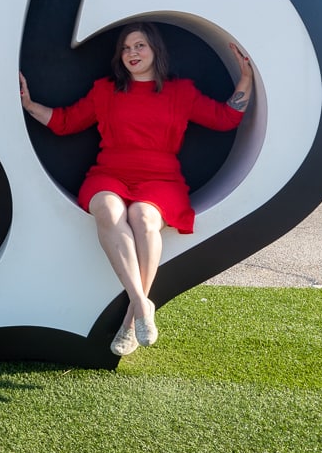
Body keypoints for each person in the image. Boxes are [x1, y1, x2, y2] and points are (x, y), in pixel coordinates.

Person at [18, 23, 254, 357]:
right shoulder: (105, 90)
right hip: (110, 173)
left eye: (140, 46)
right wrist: (28, 105)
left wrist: (246, 77)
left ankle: (131, 319)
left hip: (161, 178)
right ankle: (143, 306)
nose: (132, 53)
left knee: (143, 217)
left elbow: (225, 118)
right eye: (127, 48)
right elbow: (65, 121)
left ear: (156, 51)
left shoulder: (180, 92)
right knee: (109, 211)